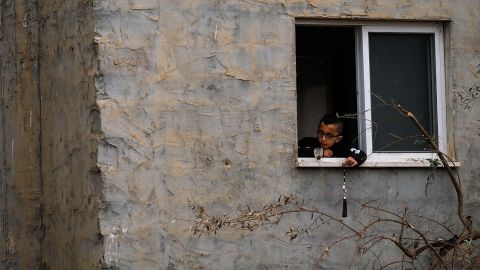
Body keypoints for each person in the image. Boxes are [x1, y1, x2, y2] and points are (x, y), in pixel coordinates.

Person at [298, 113, 367, 167]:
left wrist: (354, 159)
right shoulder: (307, 142)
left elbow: (361, 154)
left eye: (329, 136)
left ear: (338, 139)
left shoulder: (341, 148)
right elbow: (294, 152)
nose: (323, 139)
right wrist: (320, 152)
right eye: (320, 133)